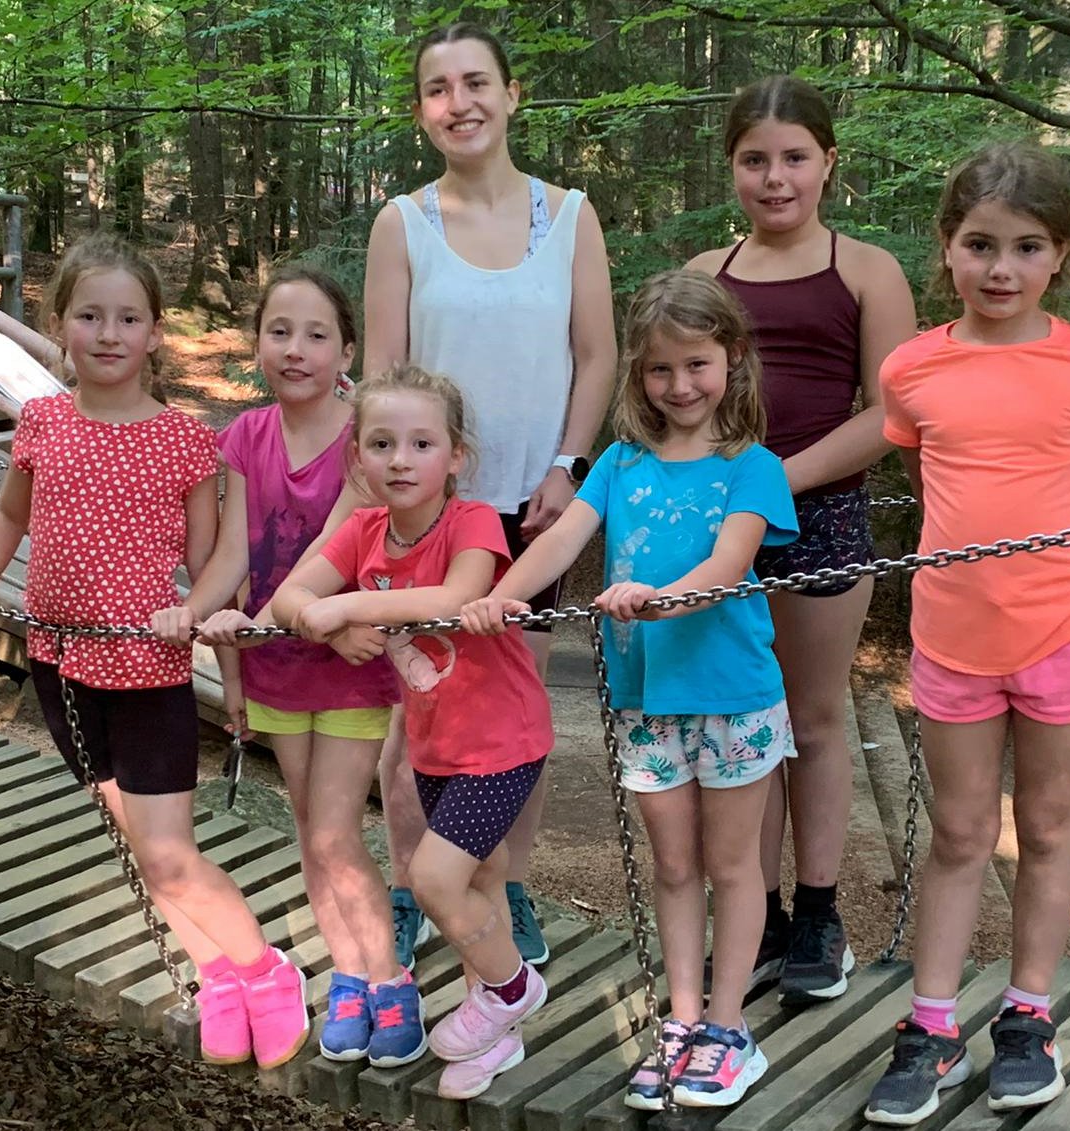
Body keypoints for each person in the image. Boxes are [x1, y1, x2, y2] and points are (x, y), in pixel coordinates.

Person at [0, 232, 310, 1071]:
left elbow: (219, 554)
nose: (108, 333)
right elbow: (9, 516)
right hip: (60, 667)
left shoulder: (182, 439)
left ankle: (266, 969)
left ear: (153, 333)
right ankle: (218, 975)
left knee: (169, 852)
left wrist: (194, 607)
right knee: (136, 841)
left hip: (146, 670)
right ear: (61, 322)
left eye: (128, 317)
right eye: (90, 315)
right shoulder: (41, 420)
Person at [463, 270, 797, 1109]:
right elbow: (561, 538)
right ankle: (682, 1022)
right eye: (658, 370)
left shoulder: (750, 466)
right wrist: (508, 592)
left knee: (731, 863)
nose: (678, 386)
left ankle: (729, 1028)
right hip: (645, 697)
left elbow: (726, 567)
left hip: (731, 694)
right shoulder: (618, 462)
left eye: (696, 364)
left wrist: (656, 596)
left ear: (732, 360)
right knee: (673, 865)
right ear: (637, 378)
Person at [863, 142, 1070, 1126]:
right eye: (979, 245)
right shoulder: (912, 369)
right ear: (947, 248)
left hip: (1065, 629)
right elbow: (927, 488)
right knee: (961, 833)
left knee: (1050, 824)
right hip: (951, 635)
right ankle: (929, 1028)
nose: (1000, 269)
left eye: (1026, 247)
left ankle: (1028, 1018)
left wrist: (1058, 581)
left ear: (1058, 255)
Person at [362, 19, 617, 969]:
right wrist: (383, 502)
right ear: (421, 110)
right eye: (437, 88)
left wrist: (567, 464)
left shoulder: (569, 215)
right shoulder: (404, 222)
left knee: (512, 723)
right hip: (423, 511)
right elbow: (380, 373)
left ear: (513, 94)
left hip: (530, 510)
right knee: (413, 714)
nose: (458, 102)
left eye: (476, 82)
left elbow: (596, 354)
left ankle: (505, 885)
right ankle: (405, 884)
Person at [149, 264, 425, 1068]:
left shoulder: (363, 438)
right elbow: (234, 549)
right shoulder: (243, 438)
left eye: (315, 334)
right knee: (311, 834)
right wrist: (203, 617)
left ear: (345, 348)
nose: (295, 349)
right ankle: (346, 975)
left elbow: (330, 556)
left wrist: (255, 625)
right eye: (279, 332)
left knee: (339, 832)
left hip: (346, 661)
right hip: (277, 670)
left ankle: (389, 981)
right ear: (258, 345)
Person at [687, 74, 917, 1004]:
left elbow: (894, 411)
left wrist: (779, 478)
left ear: (828, 163)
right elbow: (675, 400)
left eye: (793, 158)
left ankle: (820, 910)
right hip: (713, 532)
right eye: (754, 160)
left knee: (814, 721)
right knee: (743, 726)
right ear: (732, 168)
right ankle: (762, 915)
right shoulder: (707, 275)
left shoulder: (864, 271)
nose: (774, 178)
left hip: (820, 518)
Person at [271, 364, 553, 1101]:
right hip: (436, 746)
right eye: (382, 442)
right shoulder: (363, 531)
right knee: (480, 882)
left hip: (503, 742)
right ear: (357, 456)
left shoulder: (473, 521)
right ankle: (495, 1031)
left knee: (432, 879)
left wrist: (350, 609)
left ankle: (512, 987)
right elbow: (289, 597)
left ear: (455, 457)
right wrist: (330, 629)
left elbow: (460, 593)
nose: (401, 458)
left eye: (422, 443)